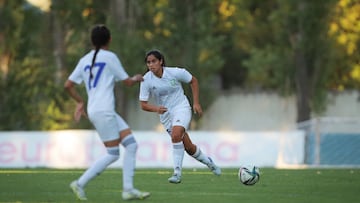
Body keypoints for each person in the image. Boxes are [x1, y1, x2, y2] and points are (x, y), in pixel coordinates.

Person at [64, 24, 150, 201]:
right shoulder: (110, 57)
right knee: (113, 153)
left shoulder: (85, 60)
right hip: (104, 110)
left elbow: (68, 85)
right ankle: (80, 183)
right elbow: (127, 82)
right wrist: (136, 78)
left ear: (92, 41)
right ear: (109, 39)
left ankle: (128, 189)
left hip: (99, 110)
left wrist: (80, 101)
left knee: (132, 145)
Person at [139, 50, 221, 184]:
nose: (151, 65)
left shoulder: (175, 72)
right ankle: (209, 162)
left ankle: (177, 173)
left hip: (181, 108)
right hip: (165, 115)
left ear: (161, 61)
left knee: (176, 135)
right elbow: (143, 105)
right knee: (188, 147)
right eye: (148, 62)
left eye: (154, 61)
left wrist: (196, 102)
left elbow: (193, 81)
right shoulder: (146, 80)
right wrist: (156, 109)